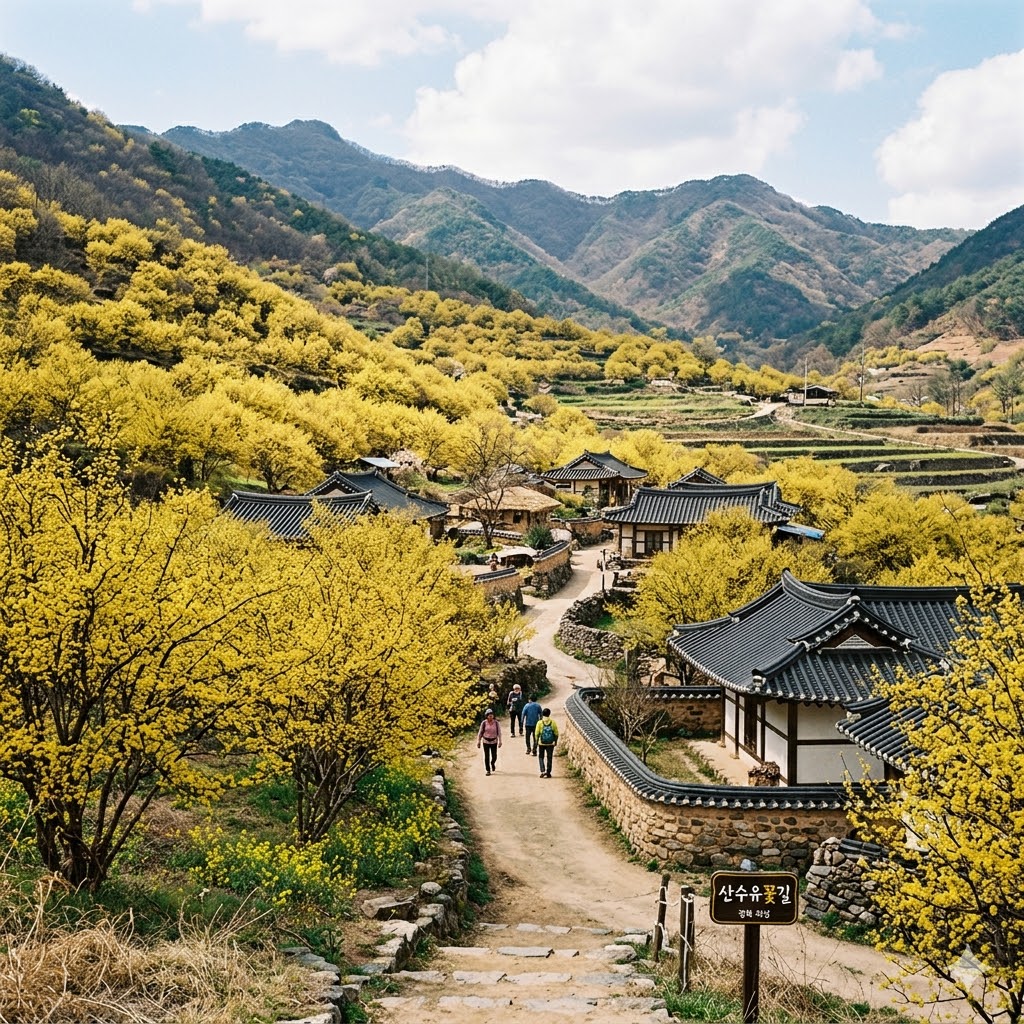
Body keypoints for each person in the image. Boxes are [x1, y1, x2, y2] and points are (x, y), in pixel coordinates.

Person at [476, 709, 502, 775]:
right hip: (486, 741)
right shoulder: (484, 723)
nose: (491, 717)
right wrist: (478, 741)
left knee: (494, 756)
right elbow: (480, 732)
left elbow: (499, 732)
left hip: (494, 742)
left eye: (492, 715)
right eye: (489, 716)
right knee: (487, 756)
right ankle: (488, 770)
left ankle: (492, 763)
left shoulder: (496, 723)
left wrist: (500, 741)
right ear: (487, 716)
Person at [535, 707, 559, 778]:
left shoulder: (539, 722)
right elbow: (556, 733)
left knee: (541, 757)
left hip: (541, 743)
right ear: (549, 714)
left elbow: (536, 733)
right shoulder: (553, 722)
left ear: (542, 714)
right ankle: (548, 772)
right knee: (549, 757)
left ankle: (542, 771)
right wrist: (555, 741)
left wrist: (536, 741)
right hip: (550, 743)